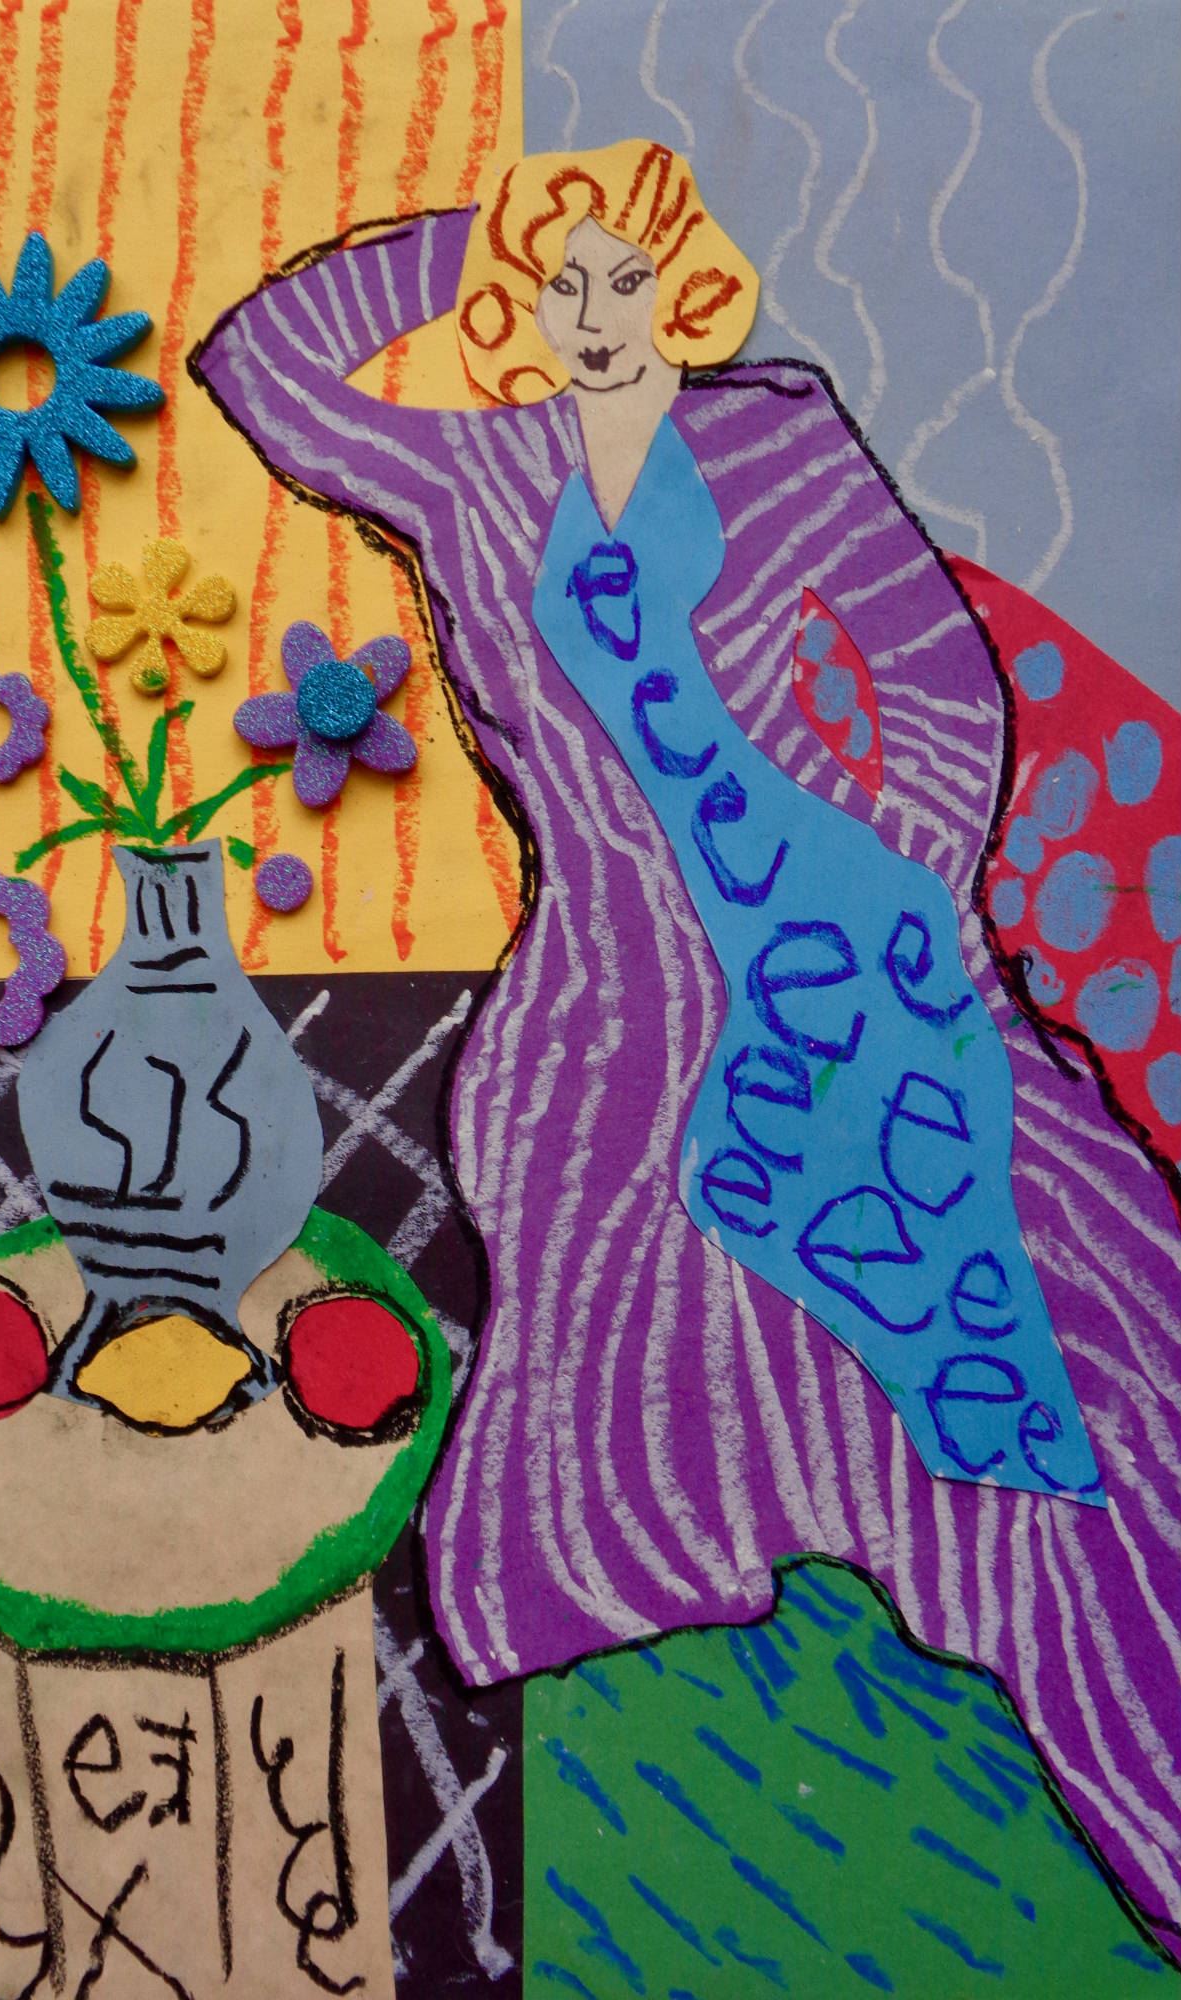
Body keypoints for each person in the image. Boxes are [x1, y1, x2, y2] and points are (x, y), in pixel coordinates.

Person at [193, 139, 1181, 1927]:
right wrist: (476, 227)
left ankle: (1058, 1609)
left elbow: (926, 671)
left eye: (621, 280)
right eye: (555, 286)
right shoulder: (472, 471)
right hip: (625, 970)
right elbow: (268, 368)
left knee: (1015, 1306)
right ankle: (740, 1592)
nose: (587, 315)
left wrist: (891, 862)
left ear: (688, 294)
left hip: (859, 935)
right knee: (616, 1260)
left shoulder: (780, 439)